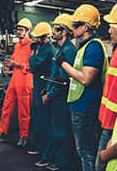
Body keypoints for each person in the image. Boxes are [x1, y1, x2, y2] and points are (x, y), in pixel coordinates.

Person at [57, 4, 108, 171]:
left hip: (85, 106)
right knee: (85, 150)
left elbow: (86, 79)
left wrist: (63, 64)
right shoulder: (84, 45)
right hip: (80, 104)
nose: (72, 28)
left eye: (75, 25)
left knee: (85, 151)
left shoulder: (93, 46)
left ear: (85, 27)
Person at [39, 13, 77, 170]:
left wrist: (50, 94)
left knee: (62, 131)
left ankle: (63, 165)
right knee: (57, 130)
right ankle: (57, 160)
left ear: (64, 31)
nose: (53, 32)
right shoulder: (58, 49)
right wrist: (45, 90)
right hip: (55, 96)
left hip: (61, 98)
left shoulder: (68, 50)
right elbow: (54, 75)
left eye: (56, 29)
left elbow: (62, 81)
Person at [0, 18, 33, 147]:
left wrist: (17, 64)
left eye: (21, 30)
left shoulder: (32, 46)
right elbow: (13, 59)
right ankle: (1, 132)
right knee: (6, 107)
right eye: (17, 29)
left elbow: (34, 66)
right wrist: (8, 66)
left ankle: (24, 136)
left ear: (28, 31)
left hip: (25, 80)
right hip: (14, 80)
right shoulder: (17, 45)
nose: (18, 32)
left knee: (24, 111)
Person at [28, 22, 55, 158]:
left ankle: (47, 153)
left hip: (43, 86)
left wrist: (32, 54)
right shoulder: (42, 47)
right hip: (38, 85)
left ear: (45, 37)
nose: (35, 39)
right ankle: (40, 147)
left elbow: (34, 66)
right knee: (38, 118)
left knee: (44, 120)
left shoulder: (48, 49)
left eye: (38, 37)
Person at [96, 4, 117, 171]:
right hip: (110, 124)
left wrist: (106, 154)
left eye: (113, 25)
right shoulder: (116, 52)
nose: (109, 30)